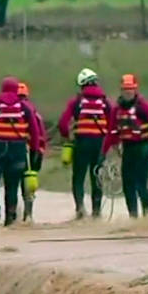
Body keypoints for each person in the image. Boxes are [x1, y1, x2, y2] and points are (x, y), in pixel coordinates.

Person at [0, 76, 41, 226]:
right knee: (12, 187)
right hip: (18, 150)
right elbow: (35, 132)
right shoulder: (25, 108)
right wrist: (35, 151)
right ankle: (10, 218)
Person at [102, 74, 148, 218]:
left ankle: (147, 216)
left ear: (135, 90)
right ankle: (133, 218)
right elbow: (112, 133)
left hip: (143, 148)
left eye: (130, 89)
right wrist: (103, 153)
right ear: (121, 90)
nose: (128, 92)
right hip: (127, 149)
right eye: (125, 89)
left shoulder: (145, 108)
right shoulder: (116, 110)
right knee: (127, 186)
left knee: (141, 184)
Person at [58, 68, 113, 219]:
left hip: (82, 143)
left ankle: (80, 209)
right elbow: (113, 123)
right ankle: (96, 212)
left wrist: (67, 137)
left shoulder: (76, 102)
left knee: (78, 177)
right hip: (99, 145)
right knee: (97, 177)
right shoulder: (105, 102)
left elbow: (62, 124)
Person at [17, 82, 48, 222]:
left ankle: (14, 215)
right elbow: (42, 135)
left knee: (15, 183)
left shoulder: (16, 110)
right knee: (29, 183)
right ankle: (28, 214)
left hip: (21, 151)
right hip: (36, 153)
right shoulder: (34, 112)